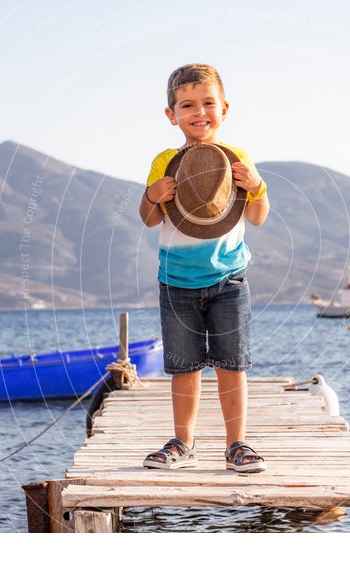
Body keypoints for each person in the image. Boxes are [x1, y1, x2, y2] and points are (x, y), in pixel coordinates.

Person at [138, 63, 269, 473]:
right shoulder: (165, 161)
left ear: (224, 109)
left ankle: (237, 445)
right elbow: (151, 220)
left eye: (208, 103)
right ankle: (184, 441)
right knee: (184, 367)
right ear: (171, 115)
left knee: (233, 365)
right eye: (188, 105)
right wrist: (151, 194)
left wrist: (257, 186)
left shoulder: (239, 159)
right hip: (176, 282)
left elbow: (259, 217)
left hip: (230, 279)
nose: (200, 112)